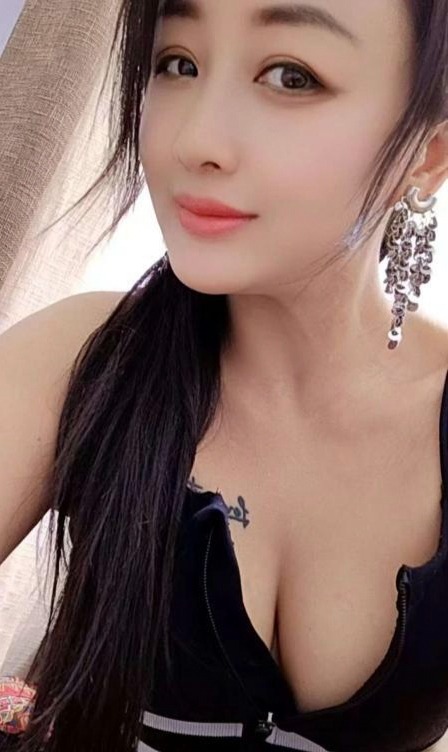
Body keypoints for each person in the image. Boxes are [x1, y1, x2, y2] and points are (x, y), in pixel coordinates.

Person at [1, 0, 448, 750]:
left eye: (291, 76)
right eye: (177, 63)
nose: (195, 140)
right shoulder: (86, 359)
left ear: (426, 155)